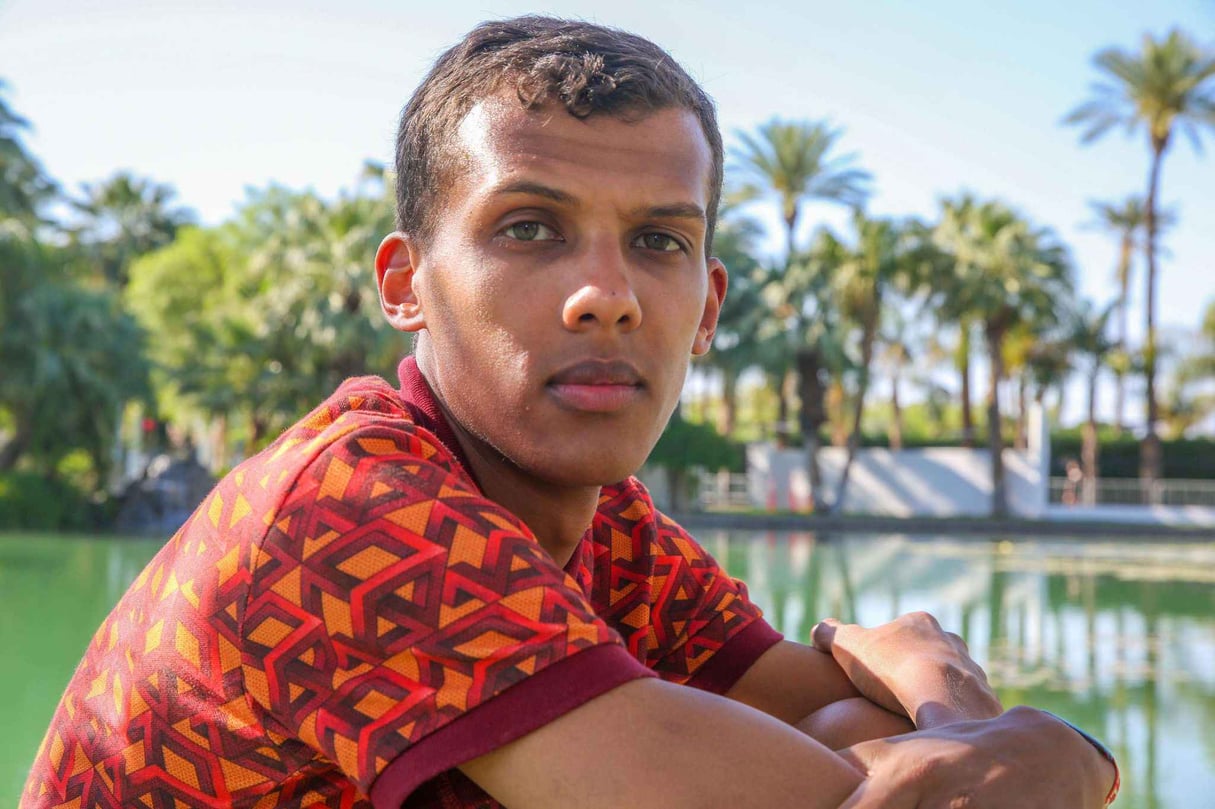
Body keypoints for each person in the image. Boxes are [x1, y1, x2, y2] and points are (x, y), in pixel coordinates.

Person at [23, 15, 1118, 809]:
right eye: (531, 228)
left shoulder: (608, 525)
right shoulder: (343, 509)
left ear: (706, 306)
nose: (611, 292)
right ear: (405, 283)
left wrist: (957, 706)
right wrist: (1053, 747)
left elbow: (850, 726)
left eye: (659, 240)